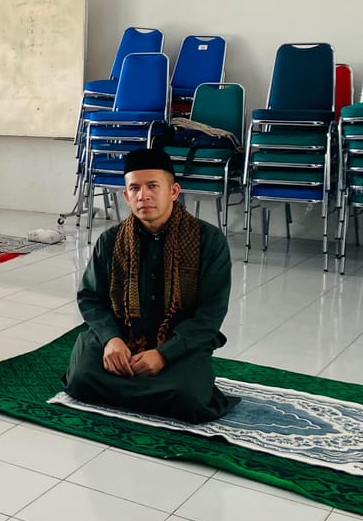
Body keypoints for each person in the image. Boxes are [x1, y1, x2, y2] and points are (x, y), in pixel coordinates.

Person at [62, 148, 238, 423]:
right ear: (126, 195)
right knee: (81, 378)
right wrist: (111, 339)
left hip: (180, 344)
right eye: (134, 188)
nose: (143, 195)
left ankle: (137, 384)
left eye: (153, 186)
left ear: (174, 191)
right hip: (123, 336)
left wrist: (163, 355)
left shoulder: (208, 241)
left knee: (189, 397)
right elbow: (91, 299)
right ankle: (145, 386)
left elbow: (210, 315)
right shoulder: (111, 241)